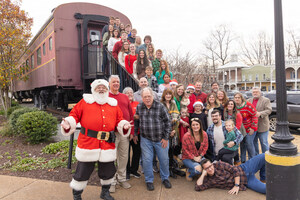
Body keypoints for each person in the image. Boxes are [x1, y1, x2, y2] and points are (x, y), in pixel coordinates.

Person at [60, 79, 131, 200]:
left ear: (107, 90)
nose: (101, 89)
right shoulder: (85, 102)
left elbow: (119, 119)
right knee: (83, 171)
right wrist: (68, 123)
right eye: (99, 88)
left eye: (104, 87)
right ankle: (77, 195)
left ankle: (105, 193)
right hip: (88, 143)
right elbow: (74, 115)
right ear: (94, 90)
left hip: (107, 144)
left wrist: (124, 125)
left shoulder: (113, 104)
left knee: (108, 170)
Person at [134, 87, 172, 191]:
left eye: (149, 96)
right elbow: (136, 121)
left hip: (160, 139)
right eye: (145, 97)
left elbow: (168, 122)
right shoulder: (140, 107)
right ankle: (149, 180)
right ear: (141, 97)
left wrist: (165, 137)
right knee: (147, 160)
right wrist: (135, 134)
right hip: (146, 139)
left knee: (164, 160)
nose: (147, 98)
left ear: (153, 96)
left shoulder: (160, 106)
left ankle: (165, 178)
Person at [108, 75, 134, 193]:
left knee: (124, 157)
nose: (116, 84)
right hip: (111, 133)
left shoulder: (124, 97)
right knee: (111, 157)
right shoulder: (106, 97)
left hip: (124, 133)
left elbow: (131, 115)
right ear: (109, 84)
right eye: (114, 82)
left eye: (117, 82)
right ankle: (112, 181)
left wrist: (132, 132)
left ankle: (122, 178)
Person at [195, 153, 266, 194]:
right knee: (266, 190)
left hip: (245, 168)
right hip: (247, 181)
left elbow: (234, 169)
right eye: (207, 168)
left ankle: (263, 177)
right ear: (204, 169)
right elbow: (198, 187)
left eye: (210, 166)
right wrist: (203, 174)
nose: (210, 169)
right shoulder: (209, 181)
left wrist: (236, 185)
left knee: (265, 156)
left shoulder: (218, 164)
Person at [160, 88, 181, 178]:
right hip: (164, 133)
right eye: (166, 94)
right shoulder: (161, 105)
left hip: (173, 132)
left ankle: (171, 168)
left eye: (169, 94)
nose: (168, 96)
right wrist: (168, 132)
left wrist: (173, 131)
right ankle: (165, 170)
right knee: (165, 153)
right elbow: (160, 120)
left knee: (171, 151)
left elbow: (178, 117)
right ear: (164, 95)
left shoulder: (173, 104)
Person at [123, 87, 141, 179]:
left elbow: (139, 118)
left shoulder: (137, 104)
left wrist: (135, 134)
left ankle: (134, 170)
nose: (130, 94)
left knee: (137, 152)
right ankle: (127, 171)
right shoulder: (122, 105)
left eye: (131, 92)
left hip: (136, 133)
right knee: (125, 153)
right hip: (125, 133)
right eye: (127, 93)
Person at [234, 92, 258, 163]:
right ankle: (243, 160)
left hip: (249, 128)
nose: (237, 99)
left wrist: (253, 128)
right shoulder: (234, 107)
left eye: (239, 97)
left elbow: (254, 115)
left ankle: (253, 160)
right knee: (242, 144)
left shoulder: (248, 106)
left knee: (249, 143)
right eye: (235, 98)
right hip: (241, 129)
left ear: (242, 98)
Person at [248, 87, 272, 154]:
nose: (255, 93)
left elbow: (269, 110)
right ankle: (257, 157)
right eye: (254, 92)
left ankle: (266, 157)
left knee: (264, 143)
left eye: (257, 92)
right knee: (254, 142)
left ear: (260, 92)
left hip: (262, 126)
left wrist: (260, 113)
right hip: (252, 127)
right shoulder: (249, 100)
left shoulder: (266, 100)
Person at [223, 100, 245, 165]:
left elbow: (238, 125)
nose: (230, 105)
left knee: (235, 145)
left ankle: (238, 161)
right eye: (228, 104)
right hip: (229, 129)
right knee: (230, 145)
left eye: (231, 104)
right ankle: (234, 161)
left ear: (234, 106)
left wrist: (232, 133)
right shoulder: (225, 112)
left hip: (237, 131)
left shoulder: (237, 114)